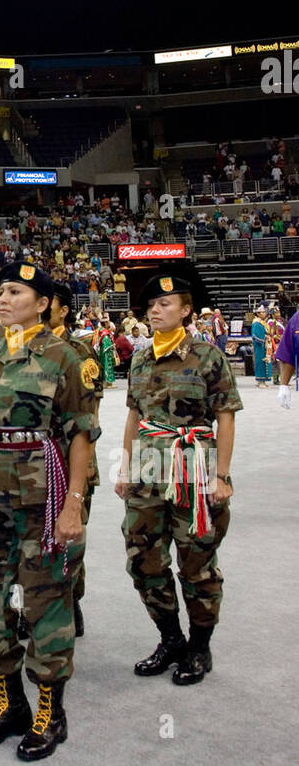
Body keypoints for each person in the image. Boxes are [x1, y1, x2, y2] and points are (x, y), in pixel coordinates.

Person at [0, 263, 98, 760]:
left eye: (15, 292)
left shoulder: (64, 357)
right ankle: (9, 702)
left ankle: (49, 710)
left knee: (45, 599)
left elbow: (81, 433)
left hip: (42, 495)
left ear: (41, 303)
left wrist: (74, 504)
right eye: (1, 291)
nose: (3, 298)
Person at [116, 272, 242, 685]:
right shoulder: (139, 356)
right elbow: (135, 415)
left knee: (197, 564)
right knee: (144, 560)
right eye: (151, 304)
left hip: (194, 469)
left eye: (165, 304)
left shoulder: (207, 356)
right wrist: (126, 466)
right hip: (148, 473)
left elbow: (225, 416)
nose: (155, 309)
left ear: (187, 311)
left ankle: (200, 646)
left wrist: (222, 476)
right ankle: (170, 638)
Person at [49, 282, 103, 638]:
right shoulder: (20, 346)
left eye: (47, 302)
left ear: (64, 310)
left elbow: (89, 417)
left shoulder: (79, 351)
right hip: (31, 464)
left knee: (69, 538)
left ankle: (70, 600)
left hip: (71, 461)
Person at [251, 305, 269, 386]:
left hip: (263, 345)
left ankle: (262, 381)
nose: (264, 314)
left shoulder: (261, 322)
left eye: (264, 312)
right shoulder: (256, 323)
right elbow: (255, 335)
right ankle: (260, 380)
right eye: (262, 312)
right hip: (259, 345)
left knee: (264, 361)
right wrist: (263, 340)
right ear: (258, 314)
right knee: (260, 362)